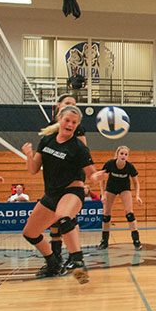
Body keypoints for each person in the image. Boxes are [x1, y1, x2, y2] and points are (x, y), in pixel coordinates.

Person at [21, 105, 107, 283]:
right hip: (51, 194)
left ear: (77, 125)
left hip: (72, 191)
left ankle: (78, 262)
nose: (70, 124)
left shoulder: (78, 147)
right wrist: (29, 155)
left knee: (63, 217)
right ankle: (53, 263)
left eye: (74, 122)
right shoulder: (46, 140)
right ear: (60, 119)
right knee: (30, 233)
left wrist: (95, 176)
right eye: (67, 120)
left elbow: (91, 173)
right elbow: (33, 169)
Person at [47, 94, 87, 268]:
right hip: (53, 178)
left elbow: (83, 153)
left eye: (74, 104)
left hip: (72, 177)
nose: (71, 106)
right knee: (54, 219)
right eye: (68, 103)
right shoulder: (51, 129)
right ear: (59, 106)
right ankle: (56, 255)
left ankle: (74, 255)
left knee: (68, 217)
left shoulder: (77, 128)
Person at [98, 146, 143, 250]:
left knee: (129, 213)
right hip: (111, 188)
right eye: (121, 153)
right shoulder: (110, 164)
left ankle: (136, 240)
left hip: (124, 188)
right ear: (117, 154)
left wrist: (137, 196)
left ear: (128, 157)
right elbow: (102, 179)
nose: (123, 156)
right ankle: (104, 241)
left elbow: (136, 182)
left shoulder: (130, 167)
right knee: (106, 215)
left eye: (126, 154)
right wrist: (103, 194)